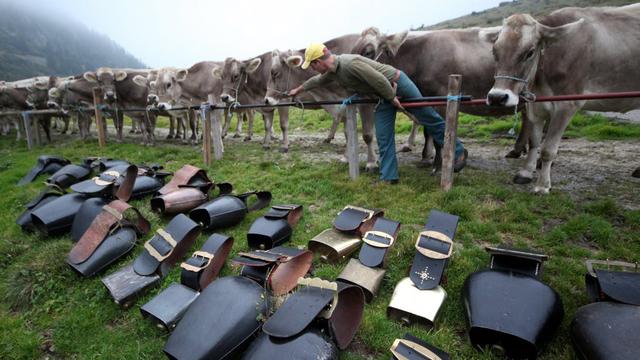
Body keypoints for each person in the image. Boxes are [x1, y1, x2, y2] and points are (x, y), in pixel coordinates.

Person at [288, 43, 467, 184]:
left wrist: (393, 98)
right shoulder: (333, 71)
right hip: (383, 95)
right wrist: (298, 89)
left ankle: (459, 151)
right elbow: (317, 80)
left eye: (312, 66)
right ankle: (389, 177)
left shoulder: (349, 64)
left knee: (428, 118)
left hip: (398, 84)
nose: (313, 70)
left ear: (318, 61)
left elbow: (379, 78)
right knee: (383, 135)